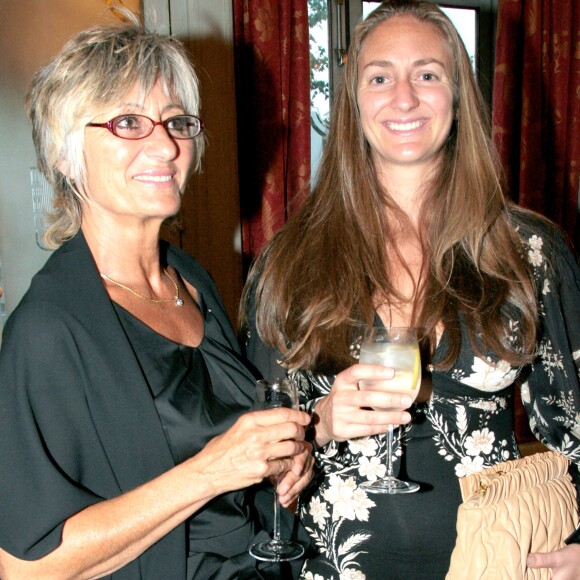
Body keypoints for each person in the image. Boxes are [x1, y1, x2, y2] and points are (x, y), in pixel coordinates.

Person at [240, 1, 580, 578]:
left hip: (492, 563)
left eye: (427, 74)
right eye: (380, 78)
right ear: (353, 100)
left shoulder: (529, 251)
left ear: (459, 96)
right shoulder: (290, 261)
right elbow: (250, 448)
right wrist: (318, 423)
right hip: (330, 567)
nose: (404, 98)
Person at [0, 13, 314, 580]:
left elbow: (223, 441)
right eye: (127, 122)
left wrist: (279, 463)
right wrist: (212, 470)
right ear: (68, 155)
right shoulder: (48, 329)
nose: (165, 145)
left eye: (175, 121)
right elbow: (27, 567)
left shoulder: (191, 279)